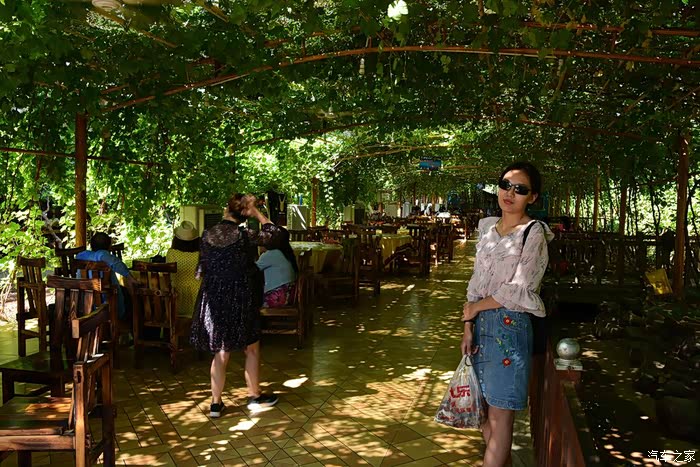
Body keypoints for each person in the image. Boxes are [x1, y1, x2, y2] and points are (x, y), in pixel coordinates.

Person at [461, 161, 554, 467]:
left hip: (509, 329)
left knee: (500, 416)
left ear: (533, 197)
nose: (510, 193)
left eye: (520, 189)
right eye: (505, 185)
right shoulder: (487, 228)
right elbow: (477, 280)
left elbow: (520, 289)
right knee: (481, 413)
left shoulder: (533, 233)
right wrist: (468, 325)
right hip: (480, 328)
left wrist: (476, 307)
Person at [190, 194, 280, 419]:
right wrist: (257, 213)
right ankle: (254, 396)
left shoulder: (207, 235)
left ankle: (215, 404)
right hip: (241, 296)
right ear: (244, 215)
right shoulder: (244, 235)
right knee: (251, 348)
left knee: (221, 351)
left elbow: (200, 270)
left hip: (214, 297)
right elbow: (275, 236)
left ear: (226, 210)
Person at [76, 232, 139, 321]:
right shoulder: (103, 255)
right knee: (130, 296)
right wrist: (129, 277)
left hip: (85, 301)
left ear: (91, 245)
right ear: (109, 246)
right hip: (106, 301)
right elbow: (116, 263)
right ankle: (128, 325)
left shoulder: (82, 256)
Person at [166, 221, 201, 318]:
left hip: (177, 299)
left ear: (176, 239)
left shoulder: (172, 253)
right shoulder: (200, 254)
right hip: (198, 299)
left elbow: (169, 275)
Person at [256, 228, 298, 308]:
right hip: (289, 295)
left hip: (278, 299)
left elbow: (252, 269)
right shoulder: (286, 252)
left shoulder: (272, 254)